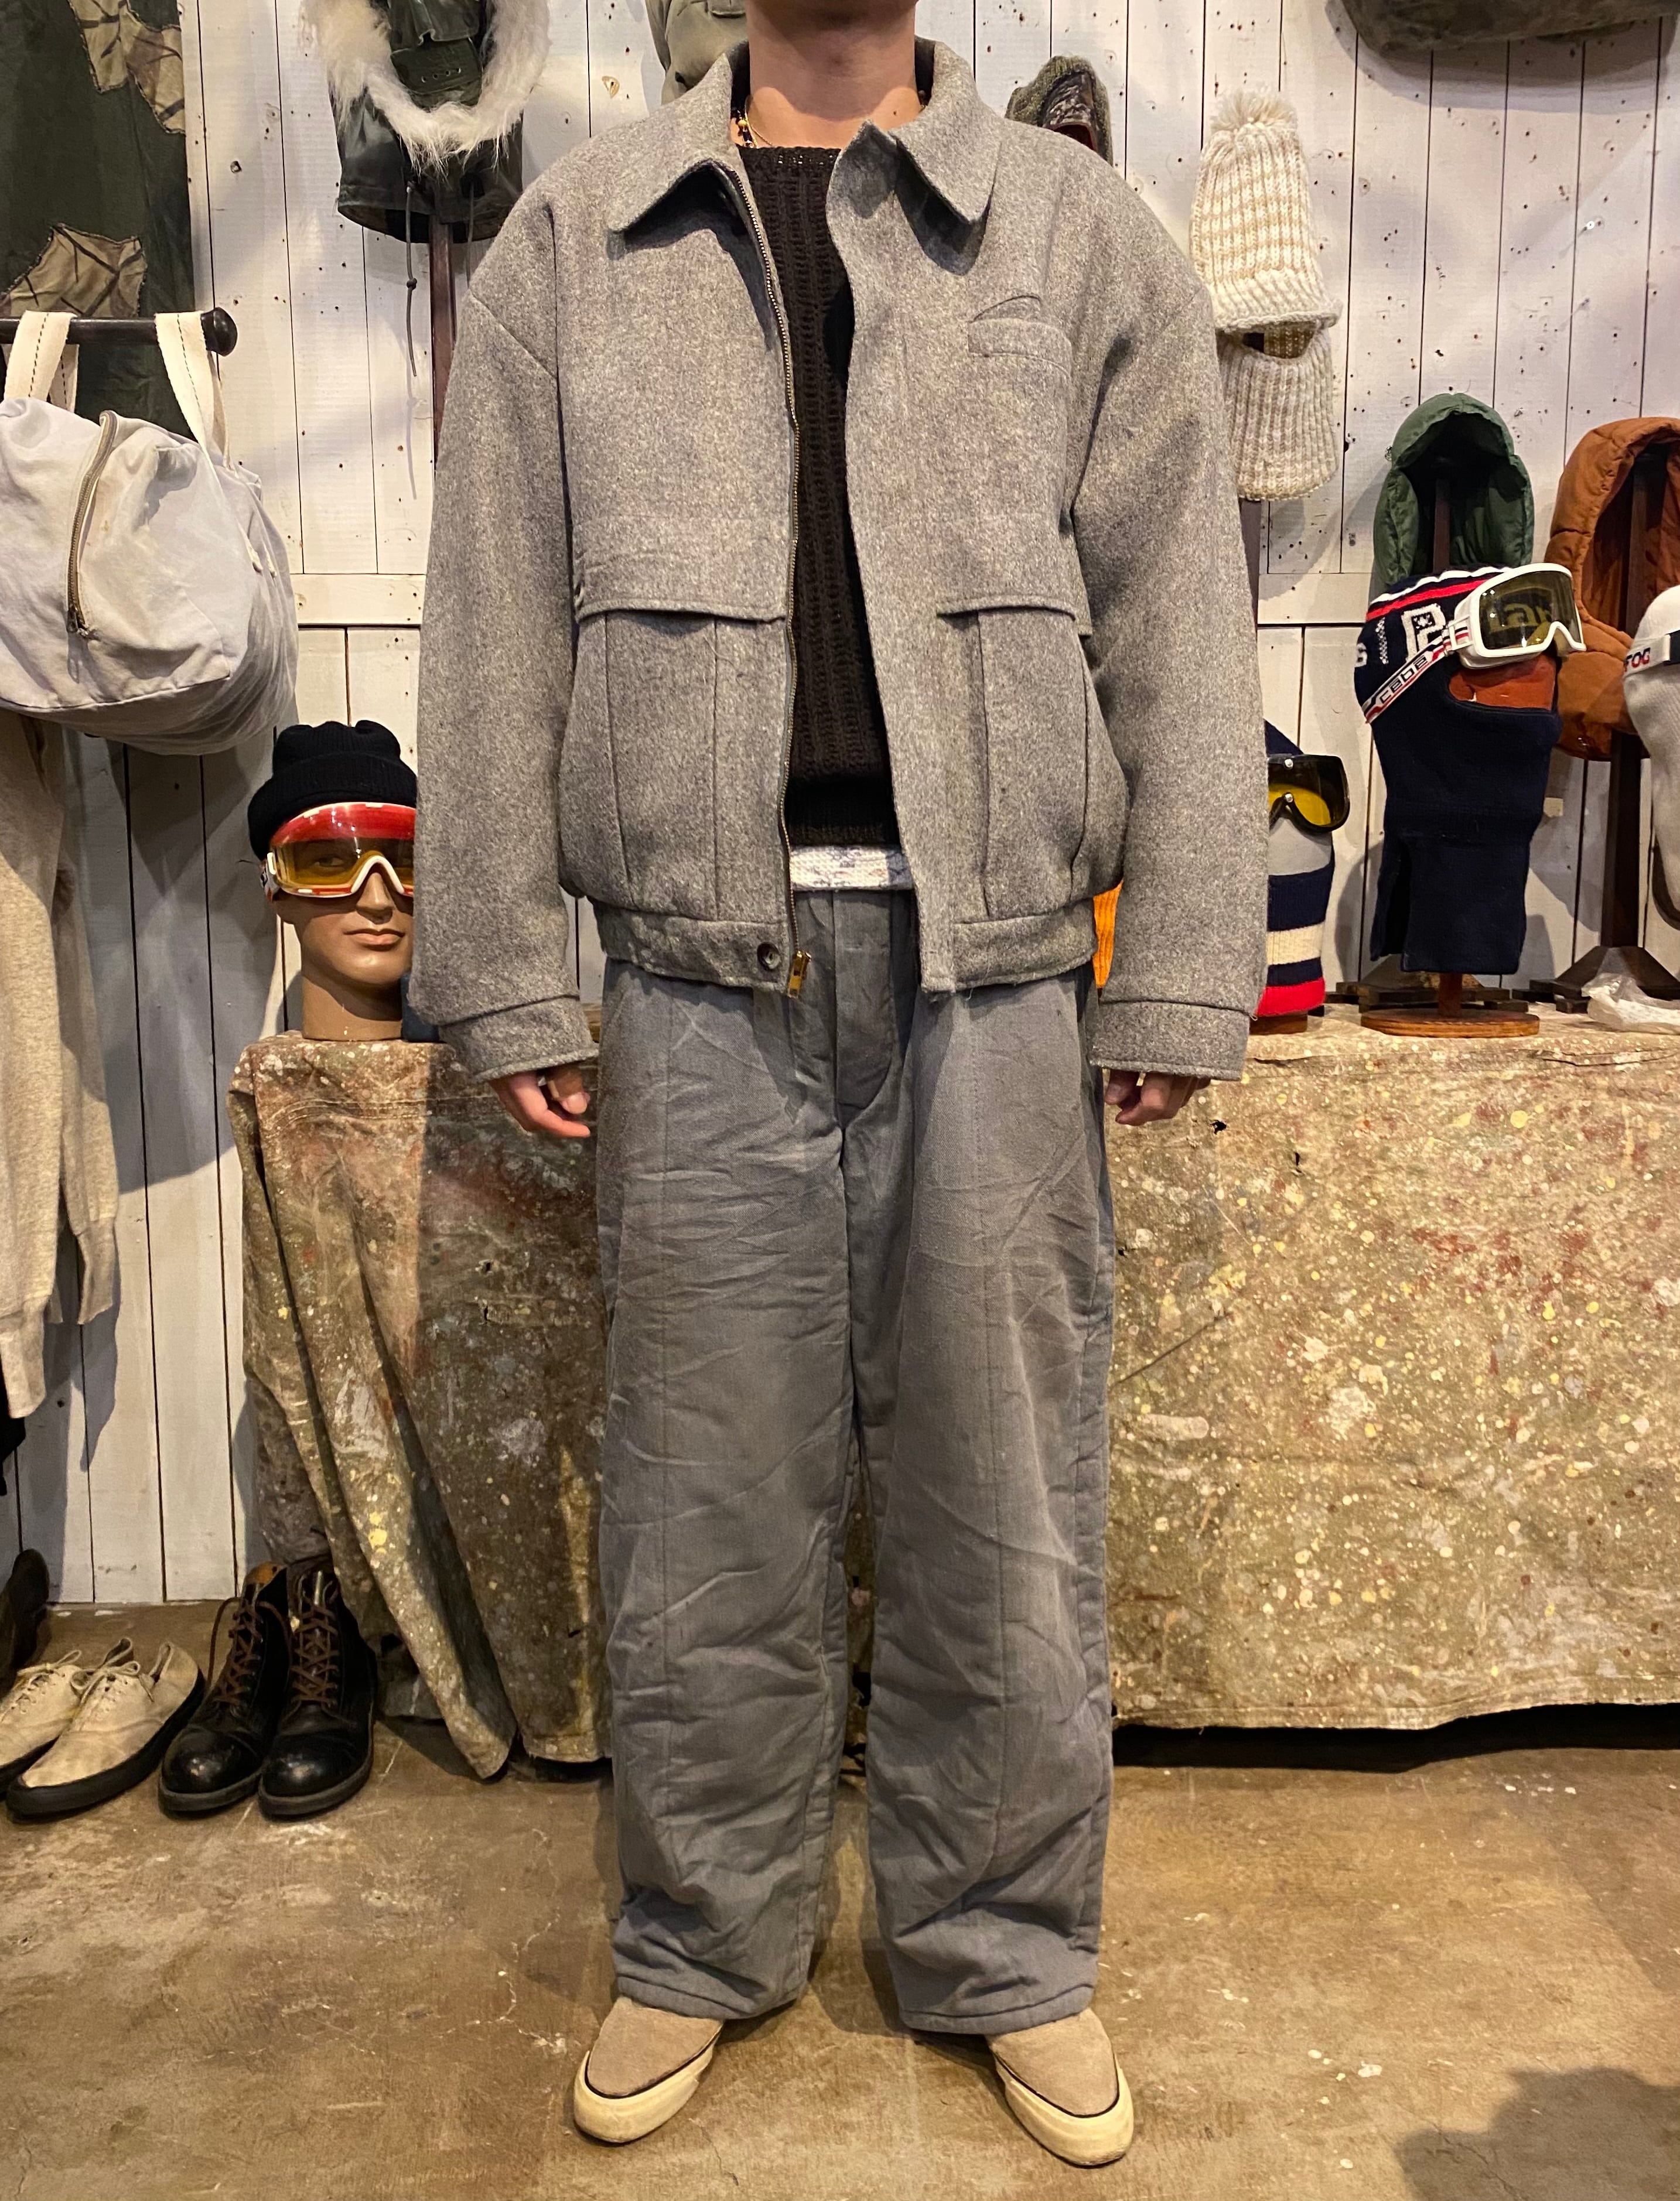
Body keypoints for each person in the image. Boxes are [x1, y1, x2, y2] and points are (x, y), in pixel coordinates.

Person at [412, 0, 1265, 2165]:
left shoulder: (1073, 234)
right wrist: (502, 968)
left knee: (1001, 1497)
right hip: (696, 969)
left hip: (994, 968)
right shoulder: (579, 235)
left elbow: (1178, 603)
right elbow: (491, 607)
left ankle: (1006, 1948)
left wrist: (1179, 967)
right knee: (705, 1499)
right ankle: (700, 1940)